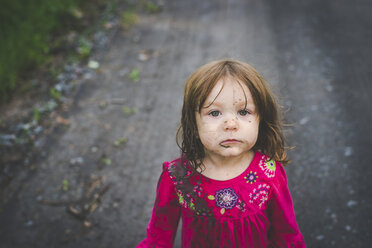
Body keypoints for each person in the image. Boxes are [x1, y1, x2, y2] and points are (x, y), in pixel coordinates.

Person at [137, 59, 306, 247]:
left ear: (261, 118)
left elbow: (286, 235)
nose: (231, 124)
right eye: (215, 113)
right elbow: (158, 239)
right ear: (193, 123)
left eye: (243, 112)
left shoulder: (269, 172)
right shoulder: (177, 176)